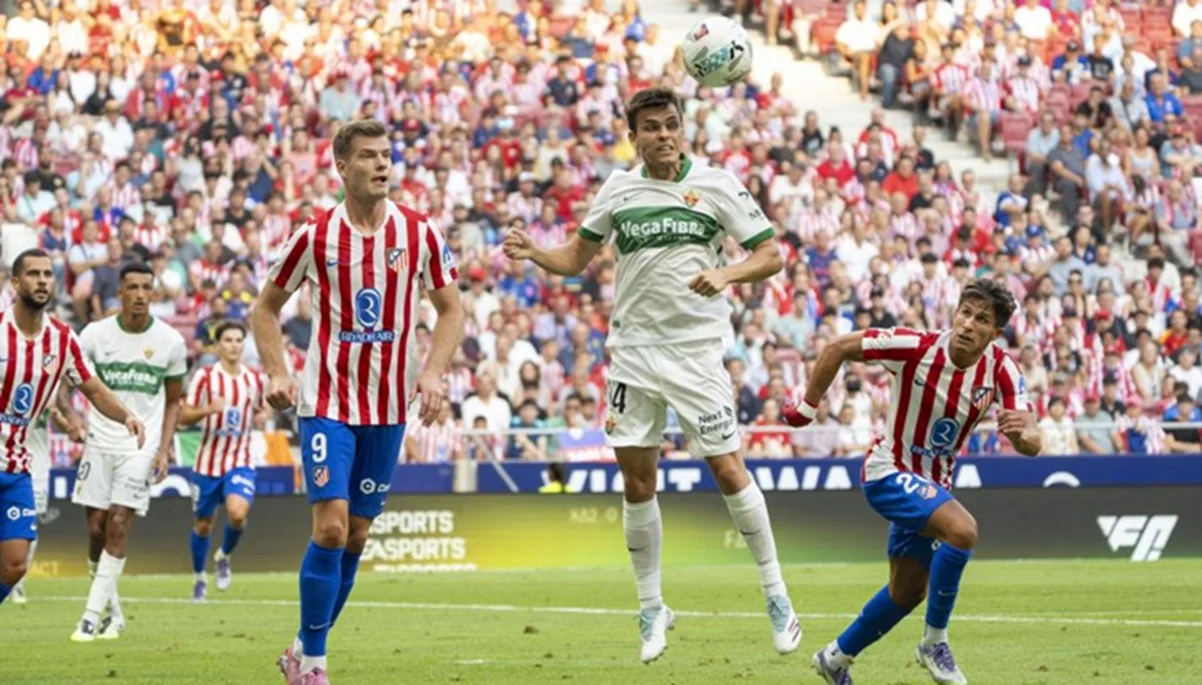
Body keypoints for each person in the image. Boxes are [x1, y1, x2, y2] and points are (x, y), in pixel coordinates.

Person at [504, 86, 801, 664]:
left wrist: (727, 274)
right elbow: (577, 257)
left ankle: (777, 594)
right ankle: (651, 607)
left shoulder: (716, 184)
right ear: (634, 137)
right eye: (651, 127)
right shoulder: (619, 189)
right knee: (638, 485)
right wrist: (535, 251)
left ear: (683, 128)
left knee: (728, 470)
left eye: (671, 124)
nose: (663, 134)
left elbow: (771, 254)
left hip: (695, 353)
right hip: (634, 353)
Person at [251, 118, 464, 685]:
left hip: (389, 407)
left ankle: (301, 647)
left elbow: (451, 309)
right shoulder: (314, 236)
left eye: (387, 155)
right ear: (342, 167)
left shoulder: (420, 232)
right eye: (368, 155)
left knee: (357, 535)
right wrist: (277, 370)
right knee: (330, 528)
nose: (382, 164)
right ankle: (314, 666)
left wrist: (433, 373)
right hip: (327, 401)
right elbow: (264, 309)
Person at [784, 280, 1042, 685]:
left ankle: (834, 658)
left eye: (981, 320)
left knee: (906, 592)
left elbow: (1033, 439)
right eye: (965, 313)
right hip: (888, 470)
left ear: (995, 333)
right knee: (963, 530)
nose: (968, 324)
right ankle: (934, 642)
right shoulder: (915, 346)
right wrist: (806, 407)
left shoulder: (1003, 370)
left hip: (933, 484)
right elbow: (837, 346)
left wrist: (1022, 436)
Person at [0, 249, 145, 608]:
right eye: (33, 274)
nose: (42, 281)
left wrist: (126, 415)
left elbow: (93, 389)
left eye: (47, 274)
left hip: (15, 467)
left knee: (15, 564)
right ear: (15, 282)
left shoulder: (63, 339)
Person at [70, 260, 186, 642]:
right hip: (100, 440)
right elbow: (68, 378)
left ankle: (89, 617)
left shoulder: (171, 341)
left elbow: (173, 401)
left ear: (154, 292)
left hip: (141, 444)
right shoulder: (94, 335)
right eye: (132, 287)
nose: (139, 295)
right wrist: (72, 415)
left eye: (146, 288)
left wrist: (164, 449)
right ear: (119, 291)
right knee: (96, 529)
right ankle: (112, 612)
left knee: (119, 523)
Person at [179, 320, 266, 602]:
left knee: (237, 513)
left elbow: (262, 410)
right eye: (228, 340)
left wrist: (263, 416)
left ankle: (224, 555)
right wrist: (207, 409)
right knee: (203, 524)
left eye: (239, 340)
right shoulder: (205, 377)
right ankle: (199, 578)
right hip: (207, 463)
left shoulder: (254, 379)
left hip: (240, 459)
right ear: (217, 346)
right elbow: (183, 417)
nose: (234, 346)